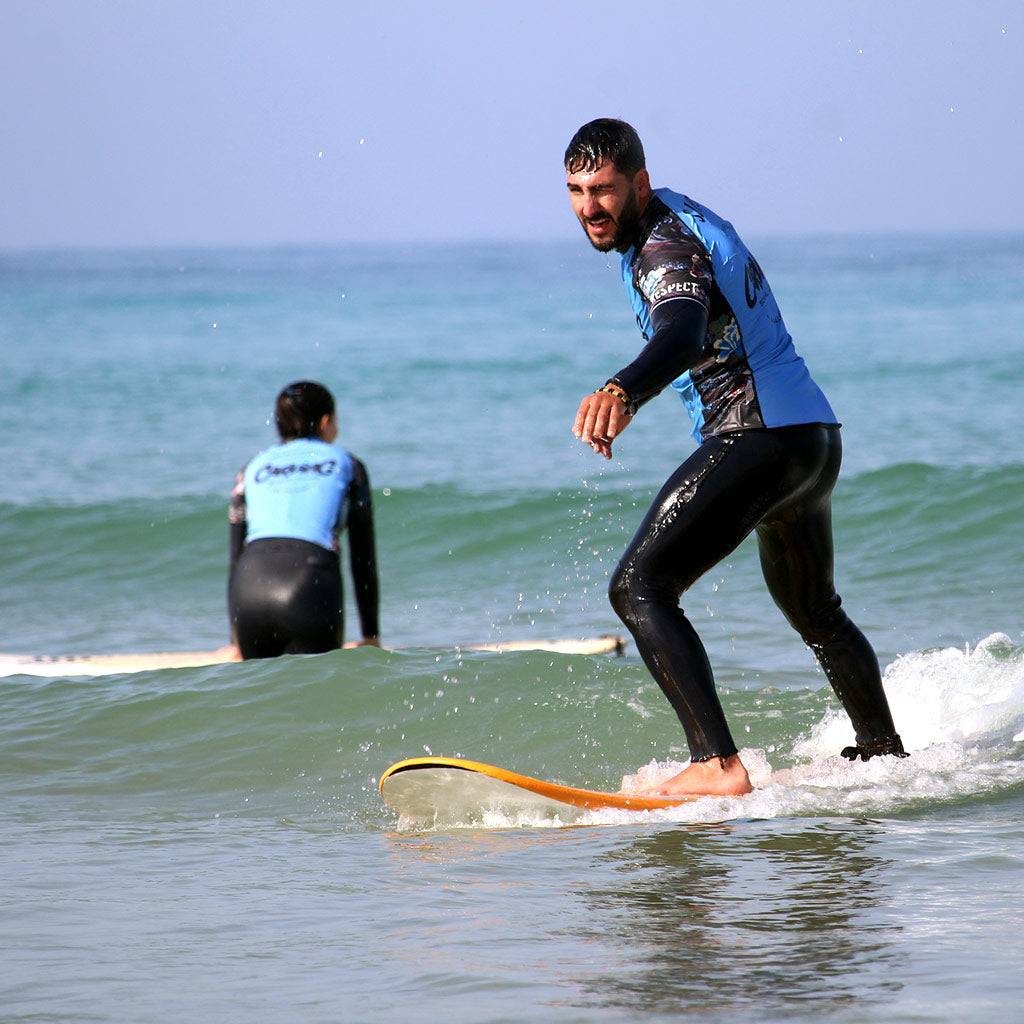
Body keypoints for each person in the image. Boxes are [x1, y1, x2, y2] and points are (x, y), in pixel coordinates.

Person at [564, 118, 907, 797]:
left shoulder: (663, 245)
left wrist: (622, 389)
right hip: (810, 437)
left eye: (602, 190)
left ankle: (717, 765)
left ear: (639, 183)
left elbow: (683, 331)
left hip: (758, 436)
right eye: (575, 191)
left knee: (639, 587)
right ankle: (885, 755)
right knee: (816, 610)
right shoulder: (685, 219)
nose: (588, 208)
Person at [228, 381, 380, 659]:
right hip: (308, 587)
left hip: (248, 592)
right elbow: (363, 557)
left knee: (264, 695)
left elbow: (236, 557)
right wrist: (371, 634)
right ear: (325, 423)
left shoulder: (251, 467)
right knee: (319, 692)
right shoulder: (347, 464)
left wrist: (235, 638)